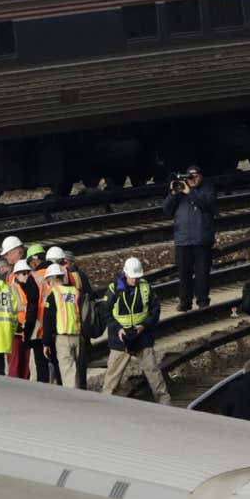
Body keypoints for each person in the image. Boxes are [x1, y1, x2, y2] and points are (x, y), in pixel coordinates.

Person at [102, 257, 171, 405]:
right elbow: (105, 313)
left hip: (142, 336)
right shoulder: (114, 289)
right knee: (112, 378)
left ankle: (165, 404)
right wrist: (118, 329)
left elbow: (155, 311)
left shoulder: (146, 287)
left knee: (153, 373)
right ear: (125, 274)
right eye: (133, 277)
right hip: (120, 339)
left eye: (138, 277)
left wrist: (143, 326)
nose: (135, 280)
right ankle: (106, 405)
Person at [162, 165, 219, 312]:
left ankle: (203, 302)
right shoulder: (181, 192)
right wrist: (173, 194)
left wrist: (191, 192)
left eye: (195, 175)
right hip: (183, 239)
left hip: (201, 239)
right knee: (184, 274)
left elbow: (207, 204)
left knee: (202, 273)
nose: (192, 178)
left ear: (201, 176)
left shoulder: (208, 189)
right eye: (189, 176)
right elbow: (166, 210)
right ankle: (185, 302)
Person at [41, 264, 84, 389]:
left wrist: (46, 343)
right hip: (78, 335)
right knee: (78, 370)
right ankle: (81, 394)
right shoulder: (75, 292)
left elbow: (48, 320)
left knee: (68, 371)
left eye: (48, 282)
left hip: (63, 338)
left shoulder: (53, 294)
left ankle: (73, 401)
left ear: (52, 280)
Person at [6, 261, 47, 381]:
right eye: (23, 274)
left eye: (27, 273)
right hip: (16, 332)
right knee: (15, 365)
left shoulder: (30, 287)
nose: (26, 276)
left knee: (25, 368)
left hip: (27, 331)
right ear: (16, 275)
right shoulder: (12, 289)